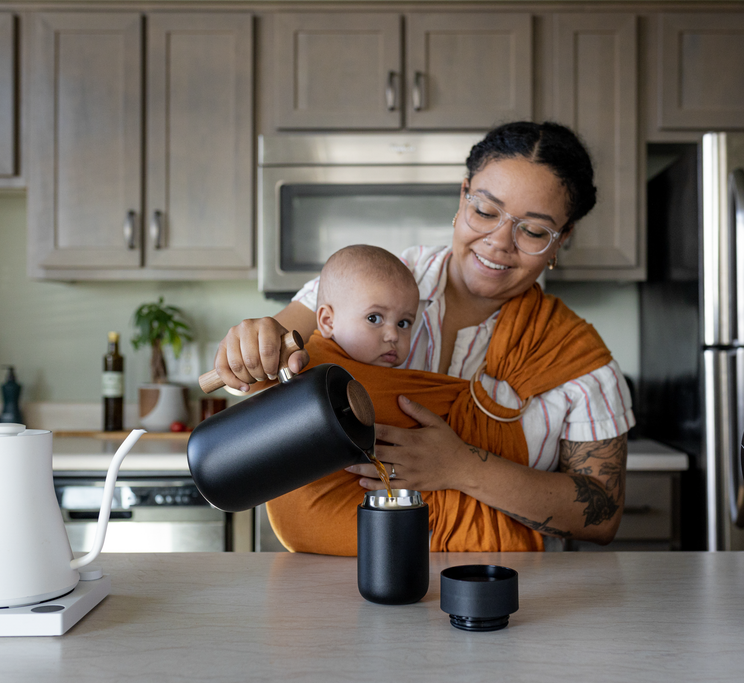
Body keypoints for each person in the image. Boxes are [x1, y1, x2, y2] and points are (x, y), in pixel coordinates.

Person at [213, 121, 634, 554]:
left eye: (532, 231)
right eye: (486, 212)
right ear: (463, 195)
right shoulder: (369, 283)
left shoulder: (577, 358)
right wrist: (250, 345)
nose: (499, 243)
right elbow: (259, 365)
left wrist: (462, 467)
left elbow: (602, 515)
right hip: (341, 588)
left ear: (561, 239)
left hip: (500, 591)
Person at [313, 244, 419, 368]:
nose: (393, 336)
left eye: (403, 323)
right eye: (373, 318)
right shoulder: (310, 369)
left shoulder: (408, 383)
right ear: (328, 322)